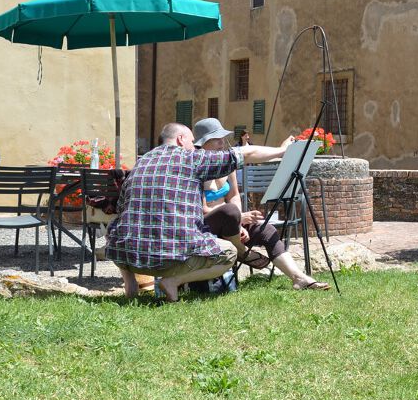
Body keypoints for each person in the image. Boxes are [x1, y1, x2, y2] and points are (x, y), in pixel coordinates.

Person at [105, 122, 296, 302]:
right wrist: (282, 150)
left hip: (126, 257)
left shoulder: (141, 162)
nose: (193, 146)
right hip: (169, 261)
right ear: (180, 139)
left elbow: (121, 210)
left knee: (116, 225)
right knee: (229, 252)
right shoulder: (191, 158)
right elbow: (246, 153)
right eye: (191, 141)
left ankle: (130, 285)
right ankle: (173, 281)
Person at [193, 117, 330, 291]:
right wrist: (237, 218)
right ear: (203, 143)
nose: (222, 143)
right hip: (205, 225)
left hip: (230, 222)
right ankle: (242, 251)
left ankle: (298, 278)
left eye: (222, 138)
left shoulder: (225, 163)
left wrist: (238, 222)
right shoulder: (196, 167)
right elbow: (203, 209)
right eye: (216, 139)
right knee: (229, 211)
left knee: (266, 229)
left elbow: (234, 195)